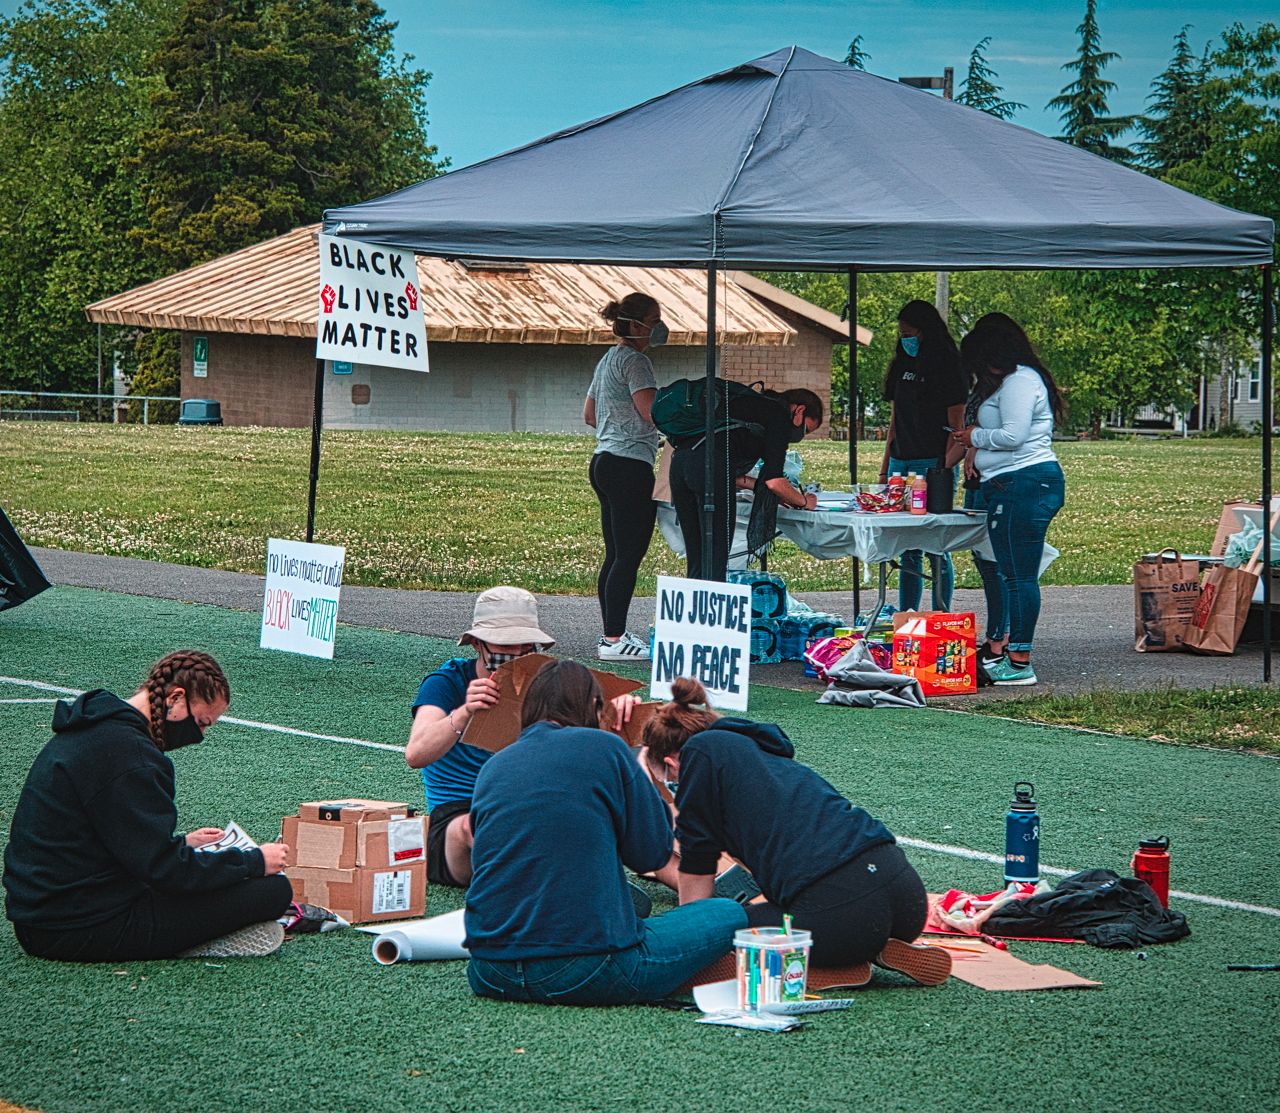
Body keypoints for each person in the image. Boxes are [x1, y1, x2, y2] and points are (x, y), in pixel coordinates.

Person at [464, 660, 746, 1006]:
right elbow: (651, 853)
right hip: (586, 970)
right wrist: (639, 776)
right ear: (596, 707)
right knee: (725, 913)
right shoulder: (606, 747)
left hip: (489, 971)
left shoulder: (494, 765)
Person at [638, 678, 950, 984]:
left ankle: (830, 959)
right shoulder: (763, 754)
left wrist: (693, 932)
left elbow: (698, 855)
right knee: (803, 914)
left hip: (841, 915)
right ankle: (866, 950)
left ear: (672, 764)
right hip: (906, 897)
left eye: (668, 783)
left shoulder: (698, 755)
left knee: (723, 928)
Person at [3, 651, 293, 962]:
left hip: (40, 916)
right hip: (78, 928)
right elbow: (169, 872)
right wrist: (253, 862)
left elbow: (97, 836)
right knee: (274, 891)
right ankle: (198, 942)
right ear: (176, 700)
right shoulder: (133, 757)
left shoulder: (93, 727)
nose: (200, 737)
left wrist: (180, 844)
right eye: (202, 723)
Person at [405, 586, 554, 890]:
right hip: (459, 816)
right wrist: (464, 713)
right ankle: (544, 879)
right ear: (476, 644)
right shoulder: (447, 683)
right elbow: (416, 754)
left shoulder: (547, 684)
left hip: (524, 808)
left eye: (525, 645)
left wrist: (612, 712)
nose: (515, 655)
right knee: (476, 826)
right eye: (504, 645)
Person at [950, 313, 1067, 686]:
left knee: (1017, 576)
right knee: (1011, 573)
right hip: (1012, 484)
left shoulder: (1019, 382)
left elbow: (1013, 436)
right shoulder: (1015, 382)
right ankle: (1014, 656)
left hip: (1024, 483)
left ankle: (1019, 661)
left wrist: (974, 437)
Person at [668, 385, 823, 582]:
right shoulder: (778, 416)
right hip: (709, 469)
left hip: (680, 465)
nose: (801, 435)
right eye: (806, 429)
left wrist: (777, 494)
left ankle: (694, 609)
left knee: (697, 556)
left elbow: (734, 474)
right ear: (799, 410)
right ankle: (712, 611)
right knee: (715, 557)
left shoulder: (753, 406)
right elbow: (774, 481)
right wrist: (803, 501)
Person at [584, 292, 663, 662]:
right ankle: (614, 640)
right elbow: (652, 412)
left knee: (615, 554)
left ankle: (611, 633)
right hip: (630, 466)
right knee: (628, 556)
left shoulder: (607, 359)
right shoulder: (636, 361)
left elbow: (589, 414)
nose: (660, 326)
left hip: (603, 461)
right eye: (655, 318)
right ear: (635, 325)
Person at [880, 299, 968, 612]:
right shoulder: (901, 364)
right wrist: (885, 468)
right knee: (907, 548)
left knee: (935, 546)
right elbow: (895, 422)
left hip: (932, 463)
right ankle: (907, 616)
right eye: (902, 334)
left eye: (910, 333)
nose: (905, 339)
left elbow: (956, 426)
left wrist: (943, 469)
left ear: (926, 331)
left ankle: (940, 615)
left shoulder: (948, 367)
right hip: (900, 461)